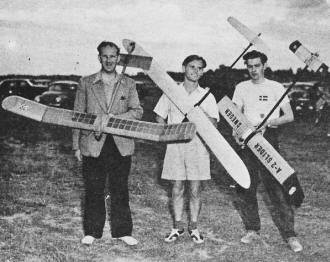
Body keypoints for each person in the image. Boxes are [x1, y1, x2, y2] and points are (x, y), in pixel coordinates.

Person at [231, 50, 303, 252]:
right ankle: (252, 229)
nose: (253, 70)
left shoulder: (276, 87)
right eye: (250, 66)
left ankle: (290, 235)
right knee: (247, 187)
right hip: (247, 141)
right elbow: (235, 115)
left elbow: (289, 116)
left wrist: (270, 123)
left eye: (257, 65)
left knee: (277, 190)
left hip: (268, 141)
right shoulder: (241, 87)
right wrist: (236, 133)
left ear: (264, 65)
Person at [72, 41, 143, 246]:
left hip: (120, 144)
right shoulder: (86, 82)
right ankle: (93, 232)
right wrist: (76, 145)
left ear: (118, 58)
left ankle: (122, 231)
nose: (109, 60)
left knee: (120, 188)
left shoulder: (128, 83)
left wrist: (115, 117)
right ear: (99, 58)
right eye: (105, 56)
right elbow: (77, 116)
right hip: (92, 143)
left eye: (113, 56)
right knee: (94, 188)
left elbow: (137, 111)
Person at [154, 55, 219, 244]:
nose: (195, 71)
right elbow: (159, 117)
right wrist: (169, 133)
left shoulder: (207, 95)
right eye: (192, 67)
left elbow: (214, 123)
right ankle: (177, 226)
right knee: (177, 188)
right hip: (175, 146)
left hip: (198, 147)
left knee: (195, 189)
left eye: (200, 68)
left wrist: (201, 115)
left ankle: (194, 227)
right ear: (184, 68)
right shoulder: (171, 92)